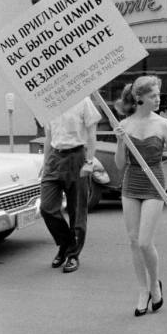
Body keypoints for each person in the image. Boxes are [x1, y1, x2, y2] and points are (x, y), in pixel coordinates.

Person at [114, 76, 167, 317]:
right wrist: (121, 142)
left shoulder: (164, 124)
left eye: (158, 94)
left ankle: (155, 283)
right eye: (153, 95)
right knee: (133, 240)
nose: (157, 99)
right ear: (139, 98)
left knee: (145, 241)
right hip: (130, 183)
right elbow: (120, 164)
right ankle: (143, 290)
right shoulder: (125, 124)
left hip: (155, 183)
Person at [40, 96, 101, 273]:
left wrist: (89, 162)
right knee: (47, 207)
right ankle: (66, 243)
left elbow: (91, 134)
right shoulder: (48, 102)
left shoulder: (83, 101)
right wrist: (45, 165)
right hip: (54, 157)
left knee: (77, 210)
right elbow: (48, 137)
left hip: (77, 156)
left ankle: (73, 255)